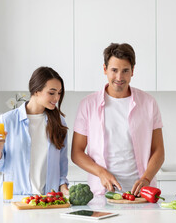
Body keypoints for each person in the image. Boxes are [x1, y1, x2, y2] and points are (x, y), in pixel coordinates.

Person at [71, 43, 165, 196]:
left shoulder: (149, 103)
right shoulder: (88, 104)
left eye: (125, 71)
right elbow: (76, 152)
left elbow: (159, 150)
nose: (119, 77)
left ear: (132, 71)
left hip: (142, 195)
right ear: (105, 69)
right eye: (114, 70)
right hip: (102, 193)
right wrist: (101, 173)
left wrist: (146, 179)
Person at [0, 66, 69, 195]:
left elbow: (62, 167)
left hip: (47, 200)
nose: (57, 98)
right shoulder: (7, 120)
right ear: (36, 91)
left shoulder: (59, 122)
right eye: (52, 93)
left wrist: (64, 187)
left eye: (59, 93)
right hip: (16, 200)